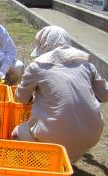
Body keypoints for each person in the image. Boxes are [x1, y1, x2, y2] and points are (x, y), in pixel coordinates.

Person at [13, 26, 108, 163]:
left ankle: (44, 162)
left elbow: (21, 97)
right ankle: (67, 158)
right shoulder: (86, 64)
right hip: (90, 136)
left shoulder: (38, 66)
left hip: (54, 137)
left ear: (44, 44)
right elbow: (105, 94)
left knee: (18, 132)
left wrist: (33, 96)